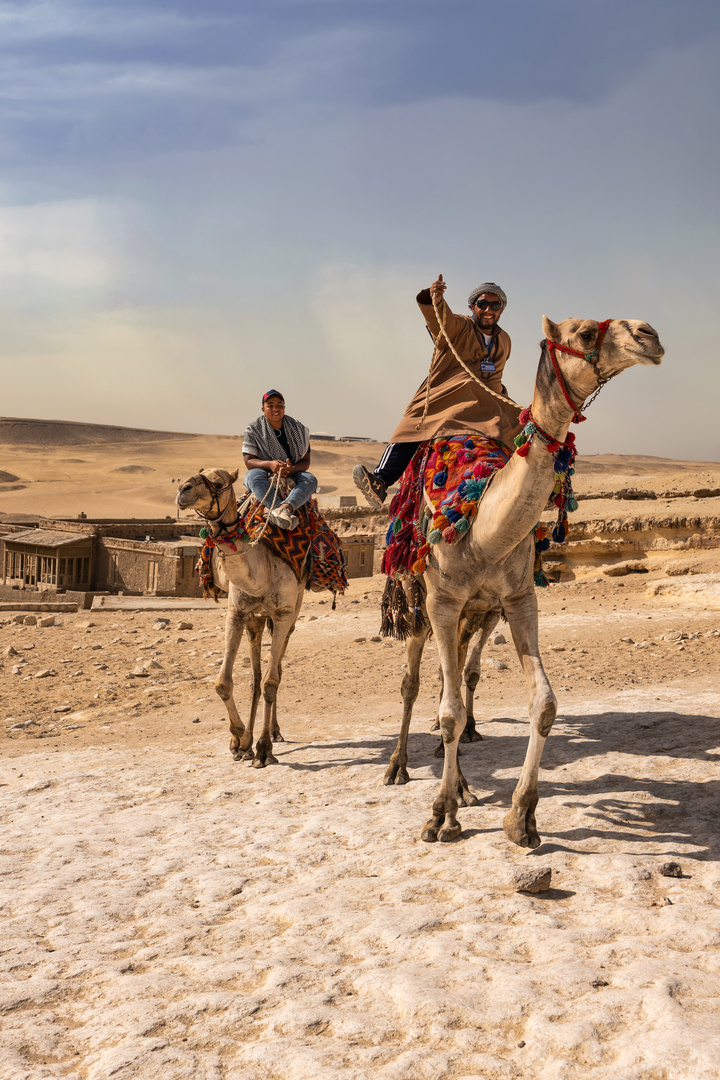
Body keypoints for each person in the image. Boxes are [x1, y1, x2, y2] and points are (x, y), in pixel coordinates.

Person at [353, 276, 521, 509]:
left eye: (494, 305)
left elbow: (495, 376)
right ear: (472, 307)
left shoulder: (505, 340)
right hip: (449, 393)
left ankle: (547, 488)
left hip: (489, 400)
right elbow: (441, 322)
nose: (488, 310)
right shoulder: (460, 326)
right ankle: (381, 480)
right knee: (413, 425)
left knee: (532, 427)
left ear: (502, 309)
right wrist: (435, 299)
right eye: (482, 304)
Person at [242, 390, 317, 529]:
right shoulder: (253, 430)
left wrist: (292, 469)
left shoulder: (298, 429)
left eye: (279, 405)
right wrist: (270, 464)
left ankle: (285, 508)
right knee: (251, 477)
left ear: (284, 407)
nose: (275, 409)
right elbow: (249, 461)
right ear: (263, 409)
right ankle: (280, 509)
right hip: (263, 470)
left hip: (292, 470)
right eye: (270, 405)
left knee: (310, 479)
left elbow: (306, 461)